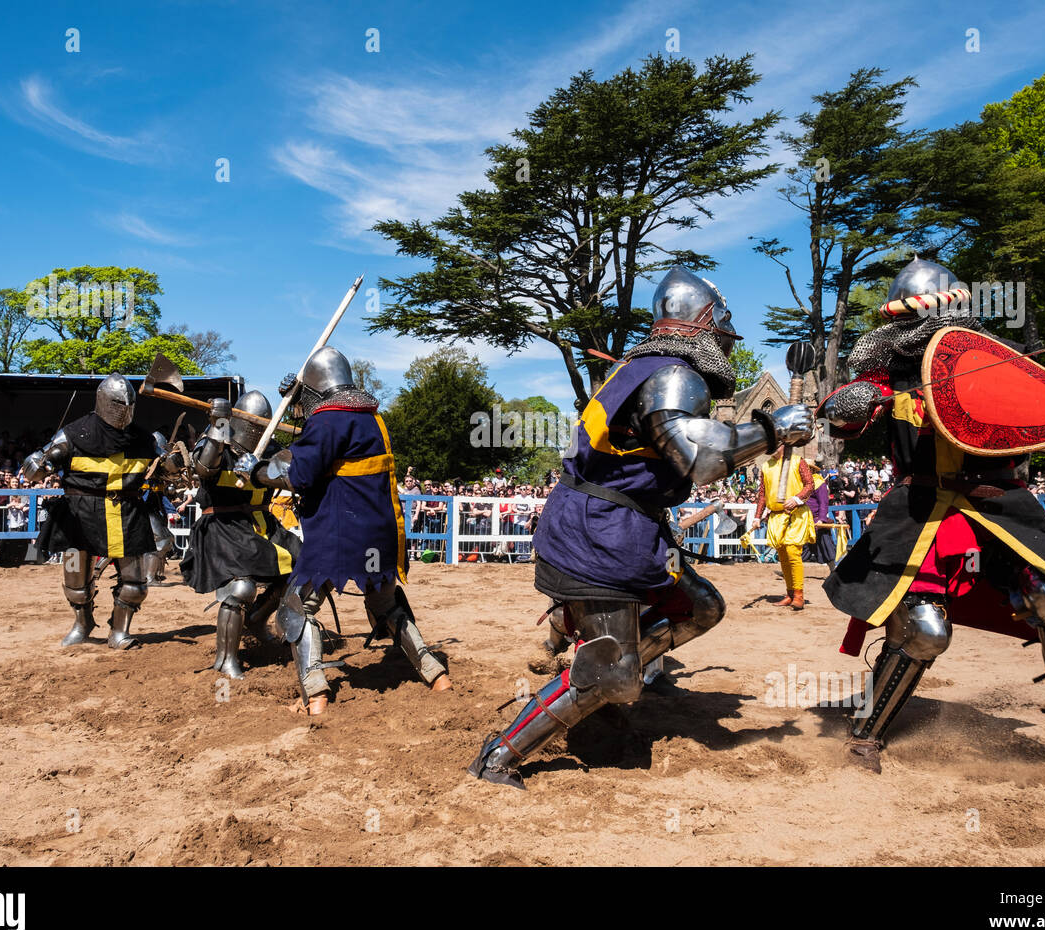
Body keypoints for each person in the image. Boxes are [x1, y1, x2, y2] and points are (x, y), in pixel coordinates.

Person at [468, 266, 812, 789]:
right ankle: (498, 756)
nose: (724, 337)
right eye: (722, 327)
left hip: (627, 526)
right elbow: (698, 459)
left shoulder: (640, 366)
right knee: (610, 674)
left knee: (701, 607)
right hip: (602, 531)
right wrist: (771, 427)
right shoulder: (674, 373)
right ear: (703, 320)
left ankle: (616, 651)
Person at [819, 256, 1045, 772]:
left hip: (1000, 503)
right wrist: (855, 402)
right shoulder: (891, 372)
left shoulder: (999, 360)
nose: (918, 332)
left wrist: (1029, 424)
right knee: (924, 629)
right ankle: (867, 734)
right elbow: (844, 416)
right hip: (922, 507)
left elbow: (1044, 426)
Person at [236, 348, 451, 714]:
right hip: (378, 531)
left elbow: (301, 474)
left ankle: (315, 697)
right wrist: (295, 400)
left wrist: (256, 470)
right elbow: (317, 452)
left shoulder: (328, 419)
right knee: (384, 602)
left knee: (299, 607)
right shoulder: (371, 417)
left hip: (340, 532)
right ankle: (436, 675)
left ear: (316, 388)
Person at [23, 373, 158, 649]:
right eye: (118, 404)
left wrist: (172, 464)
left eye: (128, 405)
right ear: (104, 401)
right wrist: (38, 464)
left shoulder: (143, 439)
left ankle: (120, 632)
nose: (123, 411)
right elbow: (36, 468)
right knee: (76, 581)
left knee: (135, 584)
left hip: (126, 512)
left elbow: (167, 470)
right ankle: (82, 624)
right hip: (79, 515)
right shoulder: (73, 433)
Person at [177, 391, 302, 679]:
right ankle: (225, 658)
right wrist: (218, 425)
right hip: (223, 523)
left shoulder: (271, 449)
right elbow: (204, 468)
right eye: (253, 426)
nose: (257, 432)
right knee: (241, 588)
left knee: (300, 570)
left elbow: (294, 478)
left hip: (262, 522)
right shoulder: (217, 443)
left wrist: (299, 406)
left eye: (262, 426)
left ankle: (257, 620)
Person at [751, 449, 816, 609]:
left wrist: (796, 498)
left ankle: (799, 595)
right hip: (776, 516)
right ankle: (790, 594)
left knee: (792, 551)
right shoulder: (766, 466)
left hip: (796, 513)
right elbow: (763, 494)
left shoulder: (797, 460)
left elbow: (810, 485)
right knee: (783, 555)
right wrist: (757, 516)